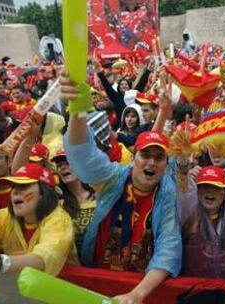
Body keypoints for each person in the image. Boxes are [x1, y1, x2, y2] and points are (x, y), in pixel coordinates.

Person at [61, 74, 182, 304]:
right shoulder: (115, 177)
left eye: (159, 158)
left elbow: (169, 249)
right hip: (97, 280)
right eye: (145, 156)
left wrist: (136, 294)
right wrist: (77, 111)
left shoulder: (167, 194)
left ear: (166, 165)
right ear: (133, 158)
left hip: (141, 289)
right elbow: (82, 155)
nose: (151, 163)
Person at [0, 163, 75, 276]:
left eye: (23, 186)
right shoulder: (5, 216)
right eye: (13, 186)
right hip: (19, 290)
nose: (15, 192)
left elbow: (43, 259)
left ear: (44, 193)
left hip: (66, 289)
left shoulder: (59, 219)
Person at [51, 148, 96, 262]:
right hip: (74, 270)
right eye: (59, 165)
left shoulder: (100, 197)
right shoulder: (58, 205)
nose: (63, 167)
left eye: (68, 163)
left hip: (102, 269)